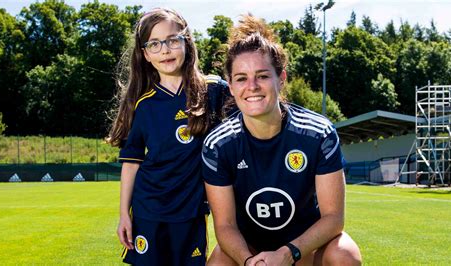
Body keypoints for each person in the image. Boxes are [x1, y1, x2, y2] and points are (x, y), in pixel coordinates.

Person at [202, 15, 362, 266]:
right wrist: (249, 261)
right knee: (218, 263)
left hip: (304, 248)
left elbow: (333, 218)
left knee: (344, 255)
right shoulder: (218, 144)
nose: (252, 86)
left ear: (281, 78)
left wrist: (287, 254)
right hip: (251, 251)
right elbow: (225, 226)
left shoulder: (318, 133)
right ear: (231, 86)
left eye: (263, 76)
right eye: (241, 78)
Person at [106, 8, 230, 265]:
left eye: (173, 40)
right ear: (145, 54)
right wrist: (124, 215)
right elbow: (132, 164)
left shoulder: (213, 91)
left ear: (187, 42)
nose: (165, 50)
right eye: (154, 44)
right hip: (149, 209)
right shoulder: (143, 105)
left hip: (192, 210)